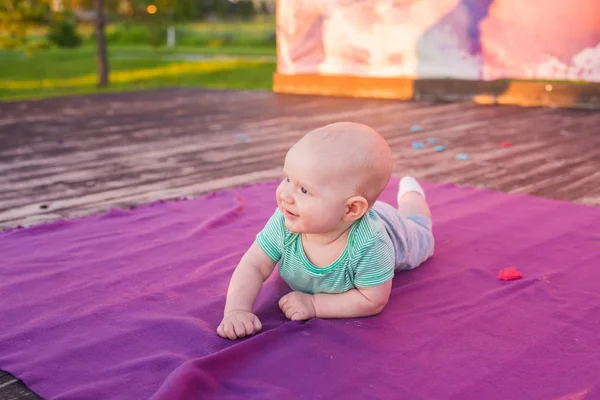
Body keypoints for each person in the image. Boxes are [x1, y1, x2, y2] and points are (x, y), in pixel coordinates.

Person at [217, 122, 434, 340]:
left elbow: (372, 300)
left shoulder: (371, 244)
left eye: (304, 189)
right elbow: (254, 264)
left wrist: (314, 304)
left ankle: (412, 197)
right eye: (288, 179)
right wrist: (237, 310)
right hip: (347, 215)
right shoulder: (286, 220)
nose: (285, 195)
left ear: (351, 208)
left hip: (396, 228)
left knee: (420, 228)